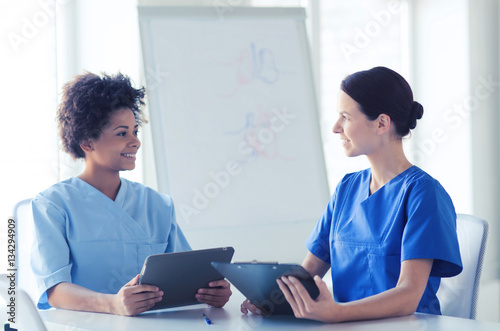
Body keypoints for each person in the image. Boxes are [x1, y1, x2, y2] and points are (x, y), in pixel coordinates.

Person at [240, 66, 462, 322]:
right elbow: (308, 273)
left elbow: (408, 295)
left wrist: (337, 313)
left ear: (381, 123)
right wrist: (270, 298)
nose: (336, 128)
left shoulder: (423, 194)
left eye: (345, 117)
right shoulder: (347, 188)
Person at [31, 72, 231, 316]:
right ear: (87, 142)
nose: (135, 142)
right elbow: (54, 290)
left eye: (135, 132)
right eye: (122, 133)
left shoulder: (158, 205)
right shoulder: (53, 205)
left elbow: (185, 276)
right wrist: (112, 304)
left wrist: (211, 292)